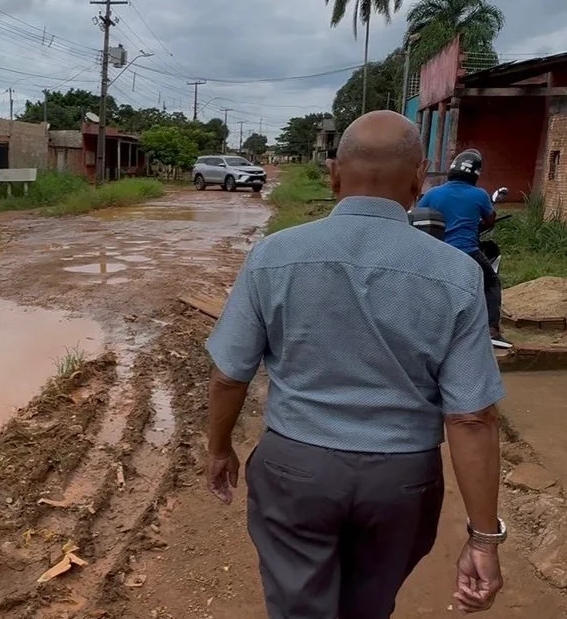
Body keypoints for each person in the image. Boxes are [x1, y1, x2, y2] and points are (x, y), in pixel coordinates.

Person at [206, 111, 506, 619]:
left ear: (334, 175)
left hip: (295, 470)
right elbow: (471, 416)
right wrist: (483, 539)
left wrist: (219, 449)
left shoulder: (274, 256)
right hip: (402, 482)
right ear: (418, 179)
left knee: (299, 606)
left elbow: (230, 374)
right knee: (370, 605)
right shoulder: (457, 274)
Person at [416, 149, 508, 347]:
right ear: (475, 173)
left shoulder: (433, 193)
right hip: (468, 252)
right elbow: (489, 219)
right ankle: (492, 330)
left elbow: (417, 216)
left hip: (438, 253)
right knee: (491, 282)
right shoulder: (479, 195)